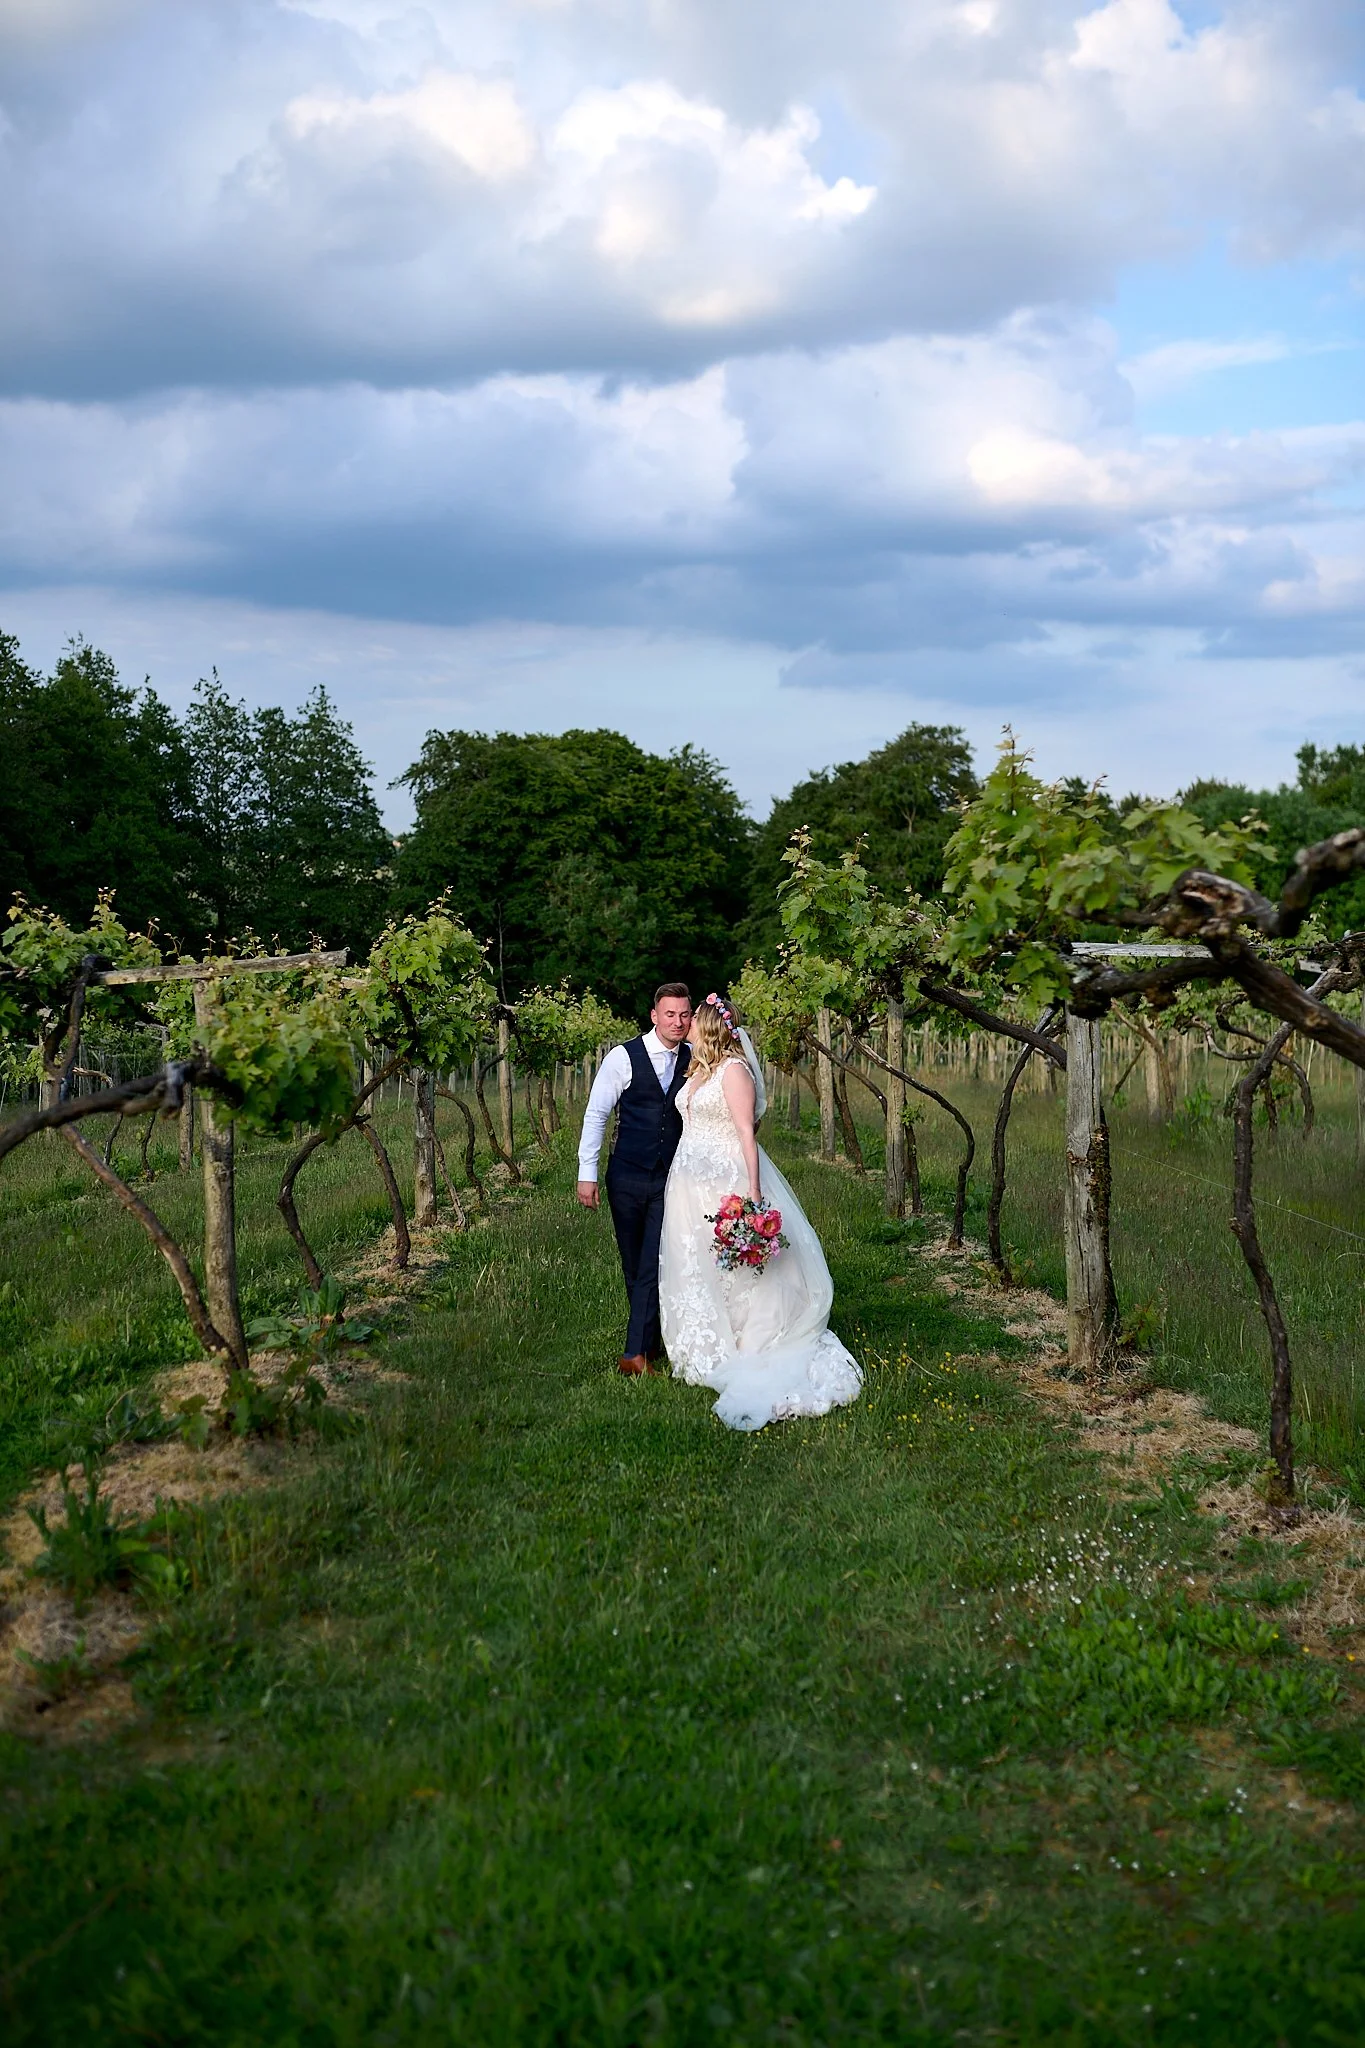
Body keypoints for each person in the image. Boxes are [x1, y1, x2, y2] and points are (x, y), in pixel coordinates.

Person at [658, 992, 861, 1431]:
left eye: (693, 1018)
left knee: (736, 1267)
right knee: (696, 1262)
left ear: (709, 1025)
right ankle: (704, 1341)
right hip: (688, 1183)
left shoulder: (734, 1072)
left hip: (724, 1179)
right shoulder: (699, 1070)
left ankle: (751, 1341)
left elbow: (746, 1136)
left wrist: (752, 1193)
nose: (686, 1023)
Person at [577, 982, 693, 1375]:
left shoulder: (695, 1058)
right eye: (670, 1014)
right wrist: (586, 1173)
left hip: (670, 1178)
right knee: (632, 1263)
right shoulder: (622, 1057)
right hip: (625, 1173)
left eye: (684, 1015)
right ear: (654, 1016)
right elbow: (596, 1115)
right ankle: (649, 1340)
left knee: (653, 1262)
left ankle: (633, 1356)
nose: (678, 1022)